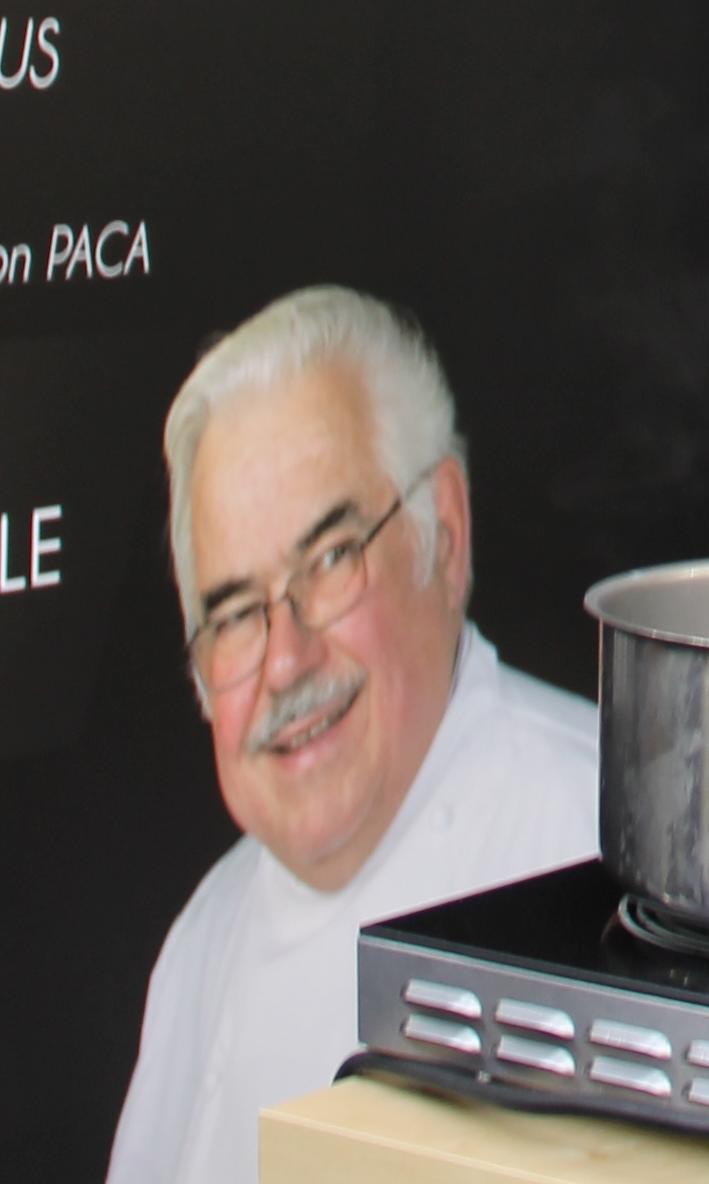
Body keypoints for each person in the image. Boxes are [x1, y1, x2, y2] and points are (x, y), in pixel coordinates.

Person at [107, 288, 596, 1184]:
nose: (285, 661)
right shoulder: (203, 938)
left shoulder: (609, 866)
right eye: (235, 614)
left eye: (330, 560)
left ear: (445, 536)